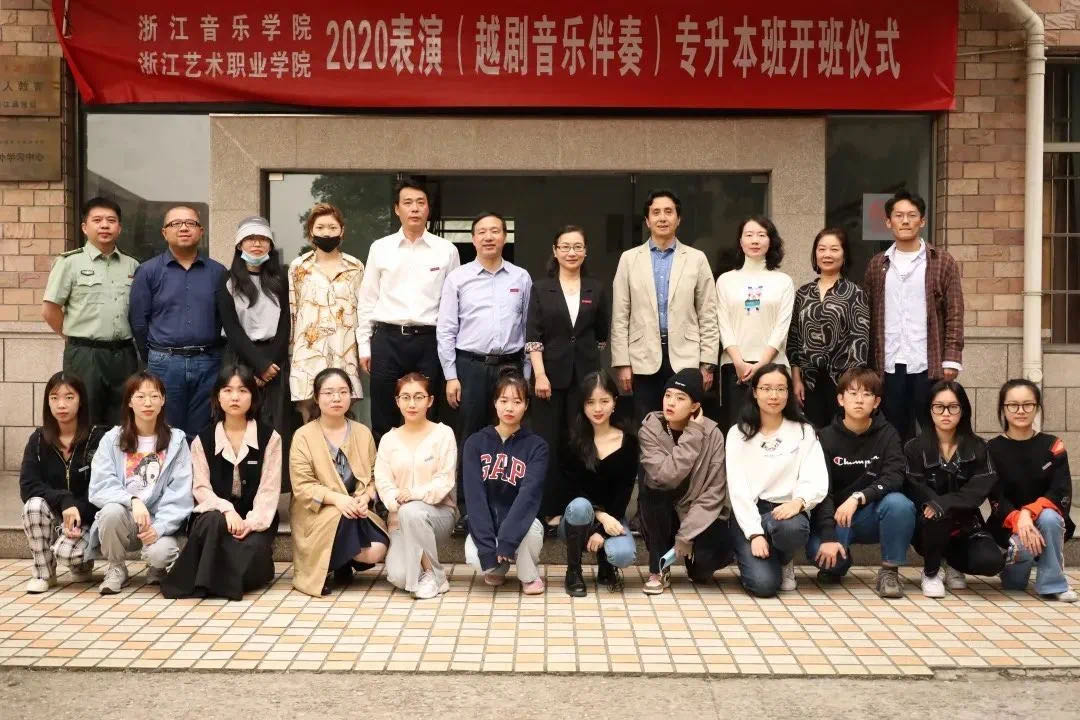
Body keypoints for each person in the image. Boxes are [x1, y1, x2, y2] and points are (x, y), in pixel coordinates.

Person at [437, 212, 532, 521]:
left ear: (505, 237)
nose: (489, 237)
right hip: (471, 366)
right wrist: (451, 375)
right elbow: (446, 330)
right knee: (471, 438)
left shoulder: (521, 278)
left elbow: (529, 329)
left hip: (510, 367)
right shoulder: (458, 278)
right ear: (473, 238)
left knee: (511, 435)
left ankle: (508, 505)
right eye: (482, 232)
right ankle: (468, 509)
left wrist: (526, 376)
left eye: (495, 231)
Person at [160, 365, 282, 601]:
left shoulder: (270, 438)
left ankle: (207, 579)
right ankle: (220, 581)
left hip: (253, 520)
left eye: (243, 390)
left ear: (253, 397)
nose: (235, 397)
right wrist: (227, 510)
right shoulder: (202, 440)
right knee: (213, 522)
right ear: (217, 396)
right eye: (227, 390)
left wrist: (250, 523)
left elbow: (269, 489)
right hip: (215, 518)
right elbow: (201, 488)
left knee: (253, 551)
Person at [356, 178, 460, 444]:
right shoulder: (380, 248)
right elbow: (367, 299)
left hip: (429, 341)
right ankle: (385, 470)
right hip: (387, 340)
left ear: (428, 209)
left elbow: (453, 305)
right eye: (408, 203)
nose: (414, 208)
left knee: (429, 413)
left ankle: (429, 469)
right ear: (396, 209)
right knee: (384, 414)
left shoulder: (446, 251)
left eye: (420, 202)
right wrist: (365, 346)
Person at [526, 225, 611, 533]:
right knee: (548, 442)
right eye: (565, 247)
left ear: (585, 251)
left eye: (577, 247)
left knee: (582, 441)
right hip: (548, 379)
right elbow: (533, 337)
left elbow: (601, 336)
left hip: (585, 380)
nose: (571, 252)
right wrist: (540, 374)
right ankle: (549, 509)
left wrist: (588, 364)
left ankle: (582, 507)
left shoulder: (596, 288)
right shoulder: (541, 288)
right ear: (555, 251)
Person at [611, 189, 720, 426]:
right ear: (647, 220)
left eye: (669, 212)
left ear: (678, 219)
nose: (662, 218)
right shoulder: (629, 259)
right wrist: (622, 362)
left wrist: (707, 363)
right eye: (656, 212)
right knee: (647, 426)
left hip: (686, 356)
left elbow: (708, 313)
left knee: (687, 426)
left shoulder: (696, 258)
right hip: (642, 357)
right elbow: (620, 315)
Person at [863, 190, 964, 442]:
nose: (905, 221)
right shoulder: (878, 264)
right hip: (888, 362)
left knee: (934, 429)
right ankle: (897, 468)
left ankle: (932, 469)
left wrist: (951, 359)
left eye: (912, 215)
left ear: (923, 221)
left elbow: (954, 312)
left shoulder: (942, 261)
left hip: (928, 362)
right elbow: (868, 313)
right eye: (899, 216)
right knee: (892, 430)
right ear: (888, 222)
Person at [805, 368, 915, 598]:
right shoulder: (825, 437)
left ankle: (889, 571)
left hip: (872, 514)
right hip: (837, 518)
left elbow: (894, 476)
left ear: (876, 402)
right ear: (840, 399)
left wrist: (859, 497)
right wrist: (828, 536)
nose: (859, 400)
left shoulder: (888, 434)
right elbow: (822, 490)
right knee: (826, 560)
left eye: (866, 394)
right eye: (853, 393)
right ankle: (839, 563)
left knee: (899, 504)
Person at [82, 371, 194, 595]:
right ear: (129, 402)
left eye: (154, 396)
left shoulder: (176, 441)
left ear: (163, 400)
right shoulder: (112, 439)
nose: (148, 403)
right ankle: (116, 568)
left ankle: (157, 568)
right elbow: (101, 484)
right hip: (125, 518)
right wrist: (132, 500)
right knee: (110, 512)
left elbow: (180, 493)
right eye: (140, 396)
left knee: (160, 554)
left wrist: (159, 528)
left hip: (160, 521)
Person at [727, 364, 828, 597]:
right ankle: (756, 556)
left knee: (791, 528)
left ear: (788, 393)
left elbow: (815, 476)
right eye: (766, 388)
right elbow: (738, 489)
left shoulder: (803, 431)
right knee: (763, 586)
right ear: (754, 392)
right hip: (751, 512)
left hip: (787, 512)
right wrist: (754, 534)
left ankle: (784, 559)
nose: (774, 395)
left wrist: (799, 502)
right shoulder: (738, 433)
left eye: (781, 389)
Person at [41, 197, 140, 426]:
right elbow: (50, 309)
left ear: (119, 228)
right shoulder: (69, 263)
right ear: (85, 227)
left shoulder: (132, 265)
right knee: (85, 417)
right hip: (85, 355)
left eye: (111, 221)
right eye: (97, 220)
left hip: (124, 354)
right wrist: (71, 336)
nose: (104, 225)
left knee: (124, 420)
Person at [289, 368, 387, 596]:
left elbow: (375, 476)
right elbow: (302, 486)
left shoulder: (362, 432)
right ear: (316, 397)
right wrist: (337, 500)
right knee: (342, 517)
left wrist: (365, 496)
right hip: (316, 511)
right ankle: (326, 568)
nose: (336, 398)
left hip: (356, 509)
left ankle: (342, 560)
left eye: (343, 392)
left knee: (376, 550)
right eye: (329, 393)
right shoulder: (303, 436)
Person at [129, 205, 226, 439]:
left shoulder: (217, 272)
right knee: (164, 430)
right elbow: (138, 321)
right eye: (175, 224)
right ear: (164, 233)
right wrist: (154, 355)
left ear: (201, 231)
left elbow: (225, 318)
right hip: (165, 362)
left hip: (207, 362)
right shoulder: (148, 271)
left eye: (190, 223)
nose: (183, 228)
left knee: (202, 433)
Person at [904, 380, 1004, 598]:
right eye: (939, 407)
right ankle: (931, 572)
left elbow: (980, 487)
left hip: (966, 525)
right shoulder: (914, 447)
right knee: (936, 514)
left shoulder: (978, 447)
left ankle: (953, 563)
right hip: (927, 526)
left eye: (953, 407)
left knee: (992, 562)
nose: (946, 413)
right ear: (929, 410)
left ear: (963, 410)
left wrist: (945, 503)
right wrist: (937, 505)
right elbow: (914, 485)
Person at [637, 368, 732, 595]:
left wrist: (686, 535)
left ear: (695, 406)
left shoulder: (714, 435)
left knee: (703, 569)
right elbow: (665, 476)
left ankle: (695, 562)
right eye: (667, 395)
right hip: (662, 514)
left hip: (697, 514)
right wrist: (693, 434)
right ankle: (658, 569)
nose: (670, 402)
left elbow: (714, 493)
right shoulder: (650, 429)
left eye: (680, 398)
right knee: (653, 491)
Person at [988, 379, 1077, 602]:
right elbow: (996, 496)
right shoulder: (992, 448)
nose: (1021, 411)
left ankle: (1053, 584)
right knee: (1014, 587)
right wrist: (1019, 520)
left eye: (1028, 404)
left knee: (1050, 518)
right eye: (1013, 405)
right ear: (1003, 409)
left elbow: (1060, 491)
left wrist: (1028, 513)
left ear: (1037, 408)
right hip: (1009, 526)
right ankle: (1015, 565)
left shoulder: (1052, 445)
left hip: (1044, 520)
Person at [19, 373, 109, 593]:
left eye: (69, 397)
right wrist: (64, 501)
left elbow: (103, 487)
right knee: (33, 506)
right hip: (55, 514)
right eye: (54, 397)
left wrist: (78, 514)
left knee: (69, 554)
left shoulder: (98, 439)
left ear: (81, 401)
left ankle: (82, 565)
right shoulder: (38, 440)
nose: (61, 404)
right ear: (47, 402)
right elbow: (28, 486)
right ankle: (43, 573)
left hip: (87, 518)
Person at [462, 367, 548, 594]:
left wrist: (508, 539)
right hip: (488, 526)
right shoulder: (475, 443)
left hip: (522, 524)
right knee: (476, 557)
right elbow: (474, 497)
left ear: (526, 405)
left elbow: (529, 496)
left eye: (517, 402)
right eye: (504, 400)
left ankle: (528, 576)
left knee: (532, 531)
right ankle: (496, 568)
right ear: (495, 402)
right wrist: (487, 546)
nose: (510, 408)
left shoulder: (537, 446)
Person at [374, 373, 457, 600]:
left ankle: (432, 574)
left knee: (411, 511)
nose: (412, 404)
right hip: (399, 521)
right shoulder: (388, 440)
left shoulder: (443, 434)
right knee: (400, 577)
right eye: (406, 397)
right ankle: (433, 572)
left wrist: (412, 495)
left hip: (438, 514)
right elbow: (383, 482)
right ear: (397, 401)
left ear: (430, 401)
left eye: (419, 397)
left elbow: (445, 480)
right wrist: (397, 502)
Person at [216, 216, 292, 454]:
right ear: (240, 245)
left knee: (277, 427)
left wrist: (269, 366)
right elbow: (232, 329)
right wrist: (259, 366)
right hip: (240, 358)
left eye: (262, 239)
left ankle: (276, 476)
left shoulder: (281, 279)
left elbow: (286, 325)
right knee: (239, 422)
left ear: (270, 244)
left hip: (275, 361)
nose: (257, 244)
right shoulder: (227, 280)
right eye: (250, 239)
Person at [560, 371, 638, 596]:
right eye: (590, 402)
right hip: (576, 519)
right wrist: (600, 518)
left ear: (615, 402)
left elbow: (624, 492)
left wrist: (603, 531)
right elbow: (569, 490)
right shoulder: (571, 440)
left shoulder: (629, 442)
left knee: (623, 555)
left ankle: (606, 564)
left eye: (604, 401)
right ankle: (573, 572)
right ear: (582, 405)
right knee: (580, 505)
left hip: (614, 515)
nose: (598, 408)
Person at [715, 216, 795, 433]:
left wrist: (762, 363)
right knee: (738, 431)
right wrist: (738, 361)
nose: (755, 240)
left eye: (761, 235)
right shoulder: (725, 280)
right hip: (735, 367)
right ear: (740, 242)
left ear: (771, 241)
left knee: (772, 430)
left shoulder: (783, 281)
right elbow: (723, 323)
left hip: (773, 366)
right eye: (749, 235)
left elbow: (782, 327)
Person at [288, 204, 366, 423]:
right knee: (308, 414)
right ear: (311, 231)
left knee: (343, 413)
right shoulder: (298, 267)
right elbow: (293, 311)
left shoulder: (355, 267)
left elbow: (362, 311)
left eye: (332, 227)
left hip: (344, 349)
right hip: (308, 353)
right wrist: (291, 353)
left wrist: (364, 349)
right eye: (320, 227)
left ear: (342, 231)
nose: (326, 233)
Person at [787, 228, 870, 428]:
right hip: (809, 382)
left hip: (842, 382)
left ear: (844, 254)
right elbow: (794, 339)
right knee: (812, 434)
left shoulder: (855, 293)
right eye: (822, 249)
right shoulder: (803, 293)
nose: (827, 254)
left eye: (834, 249)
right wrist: (796, 380)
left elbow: (860, 341)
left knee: (840, 433)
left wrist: (851, 386)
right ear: (815, 254)